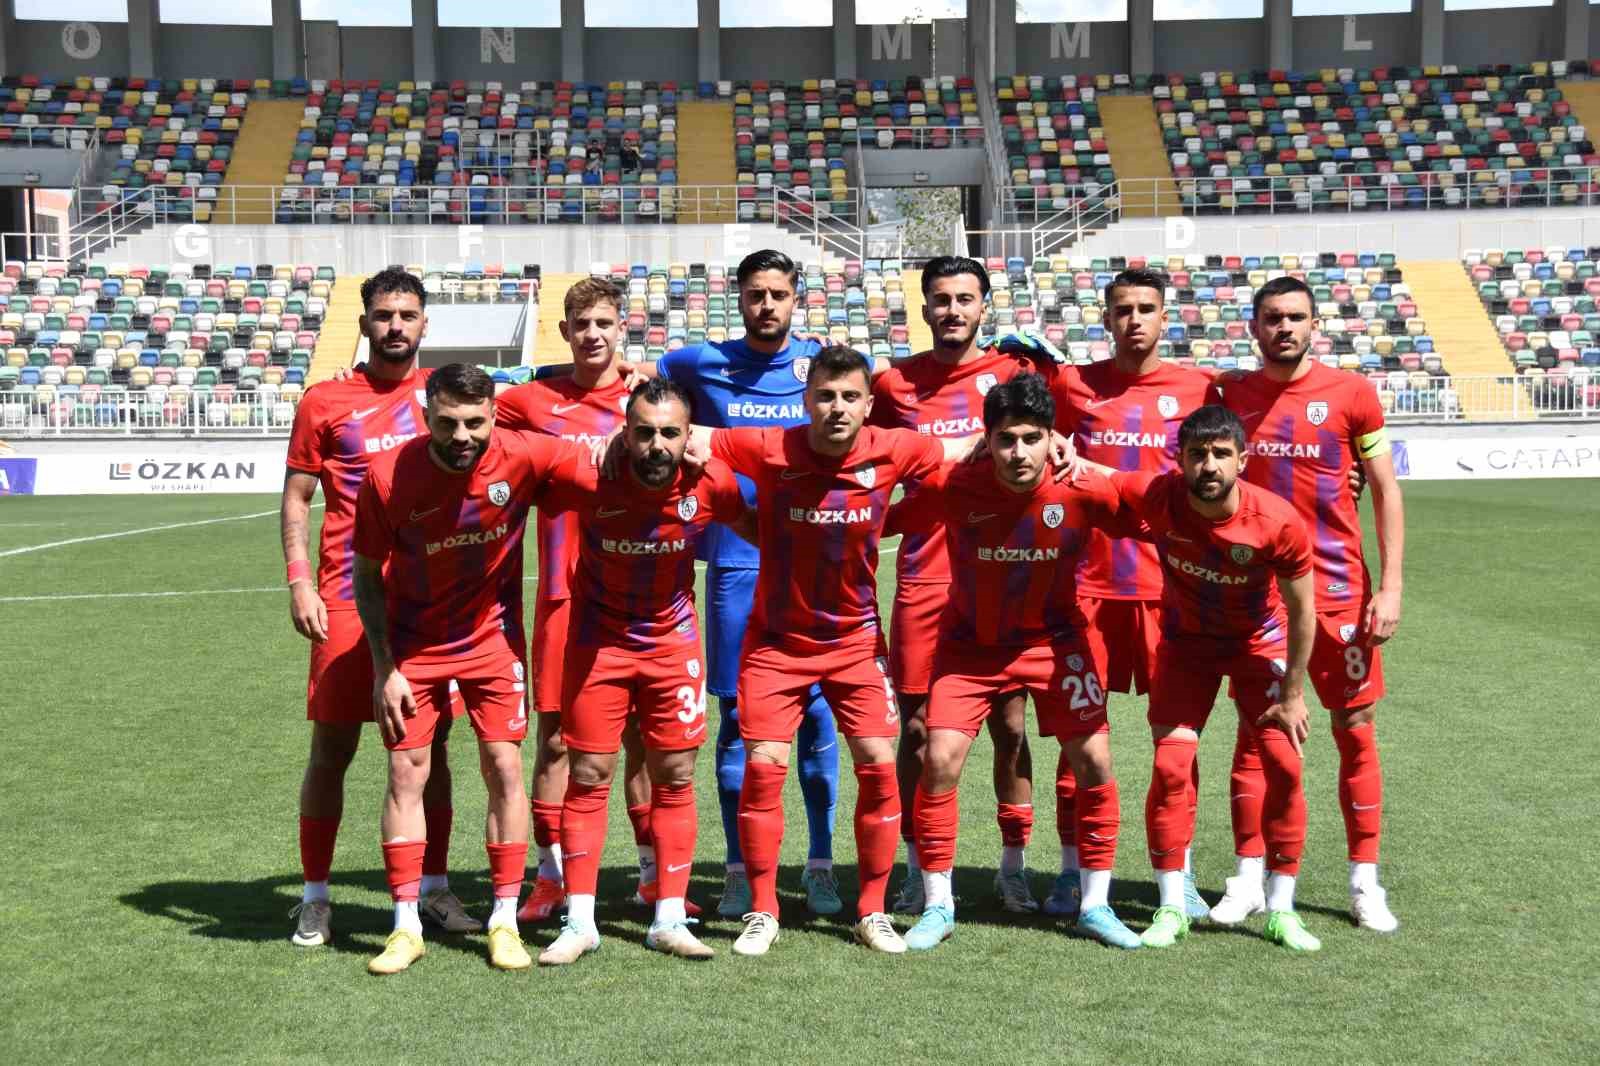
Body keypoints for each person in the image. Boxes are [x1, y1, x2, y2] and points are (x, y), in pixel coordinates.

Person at [694, 344, 981, 956]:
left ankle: (871, 911)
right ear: (806, 400)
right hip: (776, 644)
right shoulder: (770, 446)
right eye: (825, 396)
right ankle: (764, 910)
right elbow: (694, 437)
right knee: (765, 766)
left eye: (850, 396)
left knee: (878, 763)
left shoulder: (894, 448)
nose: (837, 407)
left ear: (869, 404)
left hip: (855, 642)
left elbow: (962, 452)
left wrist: (1055, 447)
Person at [888, 374, 1143, 951]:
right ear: (987, 440)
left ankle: (1095, 905)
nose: (1018, 452)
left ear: (1053, 438)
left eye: (1032, 438)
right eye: (1006, 439)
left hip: (1056, 642)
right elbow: (882, 516)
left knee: (1095, 758)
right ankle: (938, 903)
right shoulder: (957, 484)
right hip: (970, 647)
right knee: (938, 757)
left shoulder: (1080, 486)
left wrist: (1097, 467)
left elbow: (1154, 514)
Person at [351, 363, 586, 975]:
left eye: (475, 423)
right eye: (448, 422)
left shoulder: (523, 454)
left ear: (493, 416)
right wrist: (384, 667)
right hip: (413, 646)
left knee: (505, 765)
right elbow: (366, 576)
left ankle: (504, 920)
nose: (462, 436)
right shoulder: (387, 475)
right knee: (406, 771)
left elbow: (607, 463)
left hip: (491, 640)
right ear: (426, 415)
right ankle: (405, 925)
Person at [632, 249, 844, 919]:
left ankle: (820, 864)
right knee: (734, 719)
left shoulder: (821, 366)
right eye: (756, 294)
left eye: (778, 294)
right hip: (734, 566)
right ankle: (735, 870)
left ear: (796, 297)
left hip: (814, 567)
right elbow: (642, 379)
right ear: (739, 298)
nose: (767, 305)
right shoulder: (699, 364)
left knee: (817, 714)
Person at [280, 268, 475, 948]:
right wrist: (299, 581)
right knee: (333, 747)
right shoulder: (326, 400)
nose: (396, 326)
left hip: (428, 604)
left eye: (407, 315)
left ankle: (435, 888)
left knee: (433, 751)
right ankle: (315, 896)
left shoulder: (446, 398)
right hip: (344, 597)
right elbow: (297, 498)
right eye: (384, 315)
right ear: (364, 323)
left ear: (425, 324)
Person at [1207, 275, 1406, 933]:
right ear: (1254, 327)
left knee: (1355, 729)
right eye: (1272, 317)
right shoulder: (1230, 394)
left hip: (1340, 590)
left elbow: (1385, 489)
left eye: (1295, 317)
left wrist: (1391, 586)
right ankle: (1247, 879)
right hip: (1258, 596)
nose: (1284, 327)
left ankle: (1364, 882)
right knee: (1255, 731)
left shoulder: (1352, 394)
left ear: (1315, 325)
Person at [535, 378, 748, 965]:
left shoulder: (710, 483)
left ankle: (668, 918)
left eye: (669, 433)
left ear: (688, 436)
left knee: (675, 775)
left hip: (672, 647)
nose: (657, 445)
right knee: (588, 774)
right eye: (644, 432)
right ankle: (580, 922)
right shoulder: (587, 475)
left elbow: (760, 531)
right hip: (598, 644)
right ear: (625, 434)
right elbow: (516, 464)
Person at [868, 255, 1049, 915]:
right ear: (924, 308)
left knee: (1010, 724)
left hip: (1000, 571)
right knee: (917, 732)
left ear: (984, 306)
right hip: (924, 575)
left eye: (965, 299)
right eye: (941, 299)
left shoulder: (1015, 374)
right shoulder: (893, 385)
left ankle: (1012, 866)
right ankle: (918, 868)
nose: (952, 310)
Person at [1112, 404, 1323, 952]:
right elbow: (1104, 478)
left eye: (1221, 454)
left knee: (1284, 765)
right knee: (1171, 765)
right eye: (1197, 454)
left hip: (1259, 643)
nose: (1209, 465)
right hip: (1187, 646)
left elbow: (1304, 610)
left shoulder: (1276, 521)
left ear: (1242, 460)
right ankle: (1171, 906)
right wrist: (1066, 455)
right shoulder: (1160, 496)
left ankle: (1281, 909)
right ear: (1180, 460)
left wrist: (1294, 693)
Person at [1044, 267, 1214, 921]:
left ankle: (1180, 872)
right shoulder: (1073, 385)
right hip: (1085, 587)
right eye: (1123, 309)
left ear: (1164, 317)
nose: (1134, 319)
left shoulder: (1199, 388)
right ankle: (1071, 871)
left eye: (1146, 308)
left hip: (1170, 588)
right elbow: (1048, 453)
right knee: (1077, 740)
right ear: (1106, 317)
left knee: (1177, 743)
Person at [494, 278, 656, 923]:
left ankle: (650, 876)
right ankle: (550, 877)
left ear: (622, 327)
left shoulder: (648, 400)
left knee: (642, 740)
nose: (592, 334)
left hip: (643, 597)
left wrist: (651, 372)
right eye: (581, 324)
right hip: (564, 598)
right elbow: (459, 406)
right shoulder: (531, 401)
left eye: (604, 323)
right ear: (564, 331)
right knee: (558, 741)